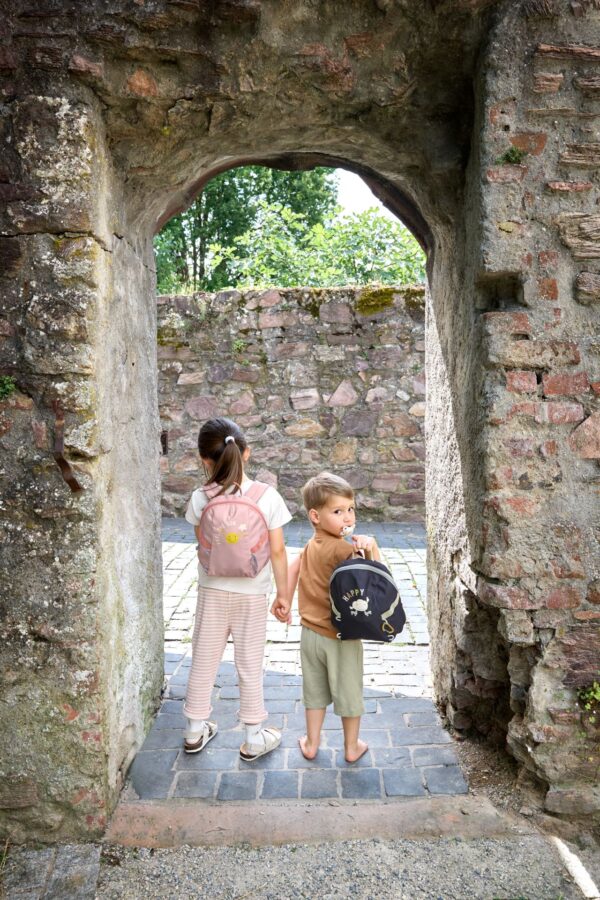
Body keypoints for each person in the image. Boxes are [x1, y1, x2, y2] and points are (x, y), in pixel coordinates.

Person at [183, 417, 291, 761]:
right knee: (249, 664)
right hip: (252, 594)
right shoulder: (267, 496)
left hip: (212, 591)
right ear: (246, 453)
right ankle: (254, 736)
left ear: (204, 459)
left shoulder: (200, 497)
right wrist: (284, 596)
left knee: (203, 658)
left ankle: (194, 731)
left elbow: (202, 541)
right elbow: (277, 551)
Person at [273, 472, 380, 764]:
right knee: (348, 692)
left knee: (315, 692)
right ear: (315, 515)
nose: (347, 517)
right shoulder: (345, 549)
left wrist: (283, 598)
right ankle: (351, 746)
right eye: (338, 511)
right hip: (340, 637)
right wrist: (371, 548)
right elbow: (375, 581)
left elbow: (294, 567)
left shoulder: (312, 545)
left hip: (310, 634)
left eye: (350, 509)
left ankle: (311, 742)